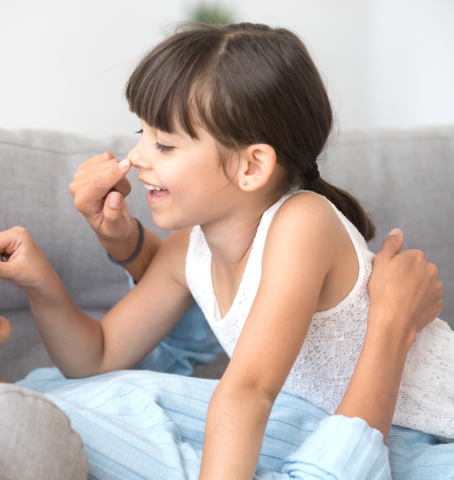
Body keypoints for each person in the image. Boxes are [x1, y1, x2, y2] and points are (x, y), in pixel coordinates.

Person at [71, 21, 454, 478]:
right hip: (350, 434)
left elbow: (247, 393)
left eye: (165, 144)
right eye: (140, 132)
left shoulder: (303, 222)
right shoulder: (188, 251)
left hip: (431, 437)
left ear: (252, 166)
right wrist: (39, 283)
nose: (135, 158)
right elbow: (95, 358)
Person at [0, 208, 451, 479]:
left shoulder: (43, 389)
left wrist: (132, 251)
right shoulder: (66, 431)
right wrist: (388, 329)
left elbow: (187, 346)